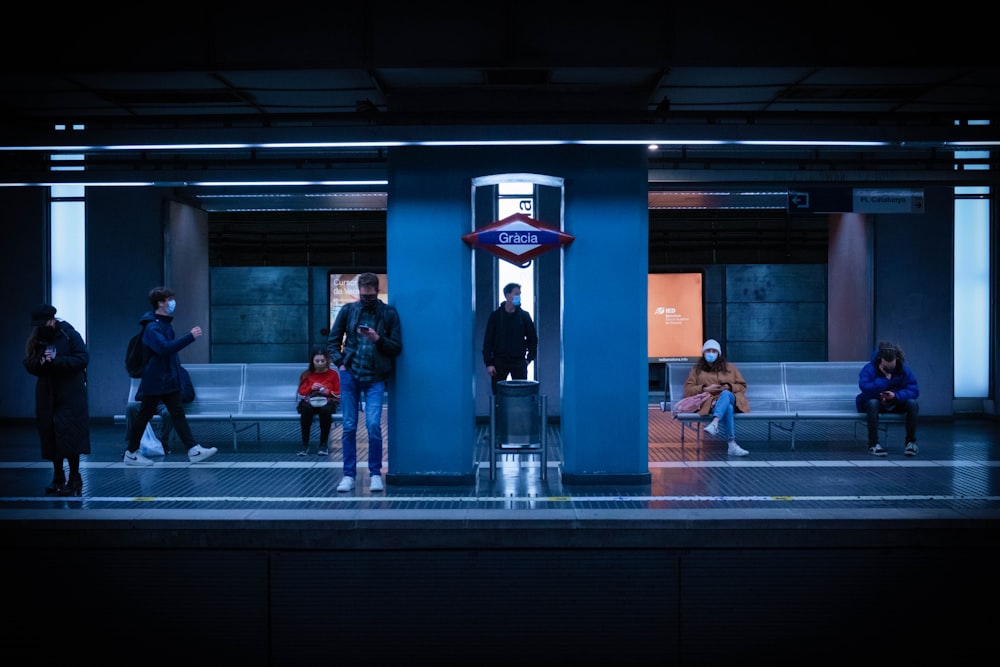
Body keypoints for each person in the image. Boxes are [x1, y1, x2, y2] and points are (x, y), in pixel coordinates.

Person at [123, 286, 218, 465]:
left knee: (176, 413)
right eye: (169, 299)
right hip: (157, 379)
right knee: (145, 415)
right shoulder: (152, 327)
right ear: (160, 303)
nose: (172, 302)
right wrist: (190, 336)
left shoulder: (164, 324)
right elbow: (164, 349)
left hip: (167, 378)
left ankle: (193, 449)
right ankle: (131, 452)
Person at [327, 272, 402, 492]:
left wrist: (377, 339)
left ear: (377, 292)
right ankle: (348, 474)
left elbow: (396, 347)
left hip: (375, 377)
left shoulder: (388, 313)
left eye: (370, 295)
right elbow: (333, 340)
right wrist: (340, 363)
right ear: (359, 293)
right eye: (363, 295)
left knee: (373, 426)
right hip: (350, 373)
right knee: (349, 426)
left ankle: (375, 473)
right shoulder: (349, 310)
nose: (366, 299)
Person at [22, 304, 92, 496]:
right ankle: (58, 476)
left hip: (70, 393)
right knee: (51, 434)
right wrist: (41, 363)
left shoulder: (69, 335)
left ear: (53, 320)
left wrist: (57, 361)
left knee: (71, 434)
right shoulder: (37, 338)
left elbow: (83, 358)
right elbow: (29, 362)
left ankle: (74, 477)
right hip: (47, 393)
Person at [682, 339, 750, 456]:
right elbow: (688, 390)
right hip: (710, 402)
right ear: (703, 353)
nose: (711, 353)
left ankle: (715, 422)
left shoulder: (730, 368)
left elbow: (742, 386)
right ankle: (731, 444)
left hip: (732, 398)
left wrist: (729, 387)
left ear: (718, 353)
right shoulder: (697, 369)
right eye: (708, 351)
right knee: (728, 408)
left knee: (725, 395)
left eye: (714, 351)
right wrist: (705, 389)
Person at [856, 341, 920, 457]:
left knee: (912, 404)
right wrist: (885, 380)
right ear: (880, 360)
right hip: (875, 403)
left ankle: (911, 443)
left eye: (892, 367)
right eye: (886, 368)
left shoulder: (903, 370)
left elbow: (914, 390)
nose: (889, 370)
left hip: (895, 402)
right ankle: (873, 444)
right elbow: (865, 388)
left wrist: (896, 396)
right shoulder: (869, 369)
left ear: (897, 359)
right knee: (872, 403)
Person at [482, 282, 538, 395]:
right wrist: (489, 363)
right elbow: (488, 341)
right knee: (498, 394)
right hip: (499, 361)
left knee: (521, 394)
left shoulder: (524, 316)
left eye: (519, 294)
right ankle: (499, 413)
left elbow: (533, 339)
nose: (519, 297)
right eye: (516, 294)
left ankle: (519, 413)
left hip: (518, 361)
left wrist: (529, 358)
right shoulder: (495, 316)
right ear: (507, 296)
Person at [296, 349, 341, 456]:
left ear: (327, 361)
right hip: (310, 401)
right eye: (317, 361)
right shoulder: (306, 374)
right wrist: (311, 388)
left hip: (327, 401)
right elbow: (301, 392)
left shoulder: (333, 374)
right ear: (312, 361)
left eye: (322, 361)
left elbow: (338, 393)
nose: (320, 363)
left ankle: (323, 444)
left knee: (325, 410)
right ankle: (304, 444)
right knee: (306, 409)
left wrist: (327, 392)